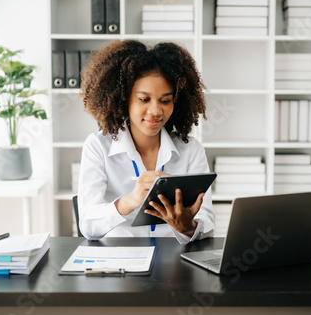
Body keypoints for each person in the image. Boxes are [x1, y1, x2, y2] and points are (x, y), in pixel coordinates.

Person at [77, 40, 214, 244]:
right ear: (124, 99)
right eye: (144, 99)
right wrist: (129, 201)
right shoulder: (98, 146)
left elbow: (207, 222)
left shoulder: (190, 150)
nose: (156, 111)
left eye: (165, 100)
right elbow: (88, 226)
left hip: (175, 263)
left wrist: (187, 227)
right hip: (120, 262)